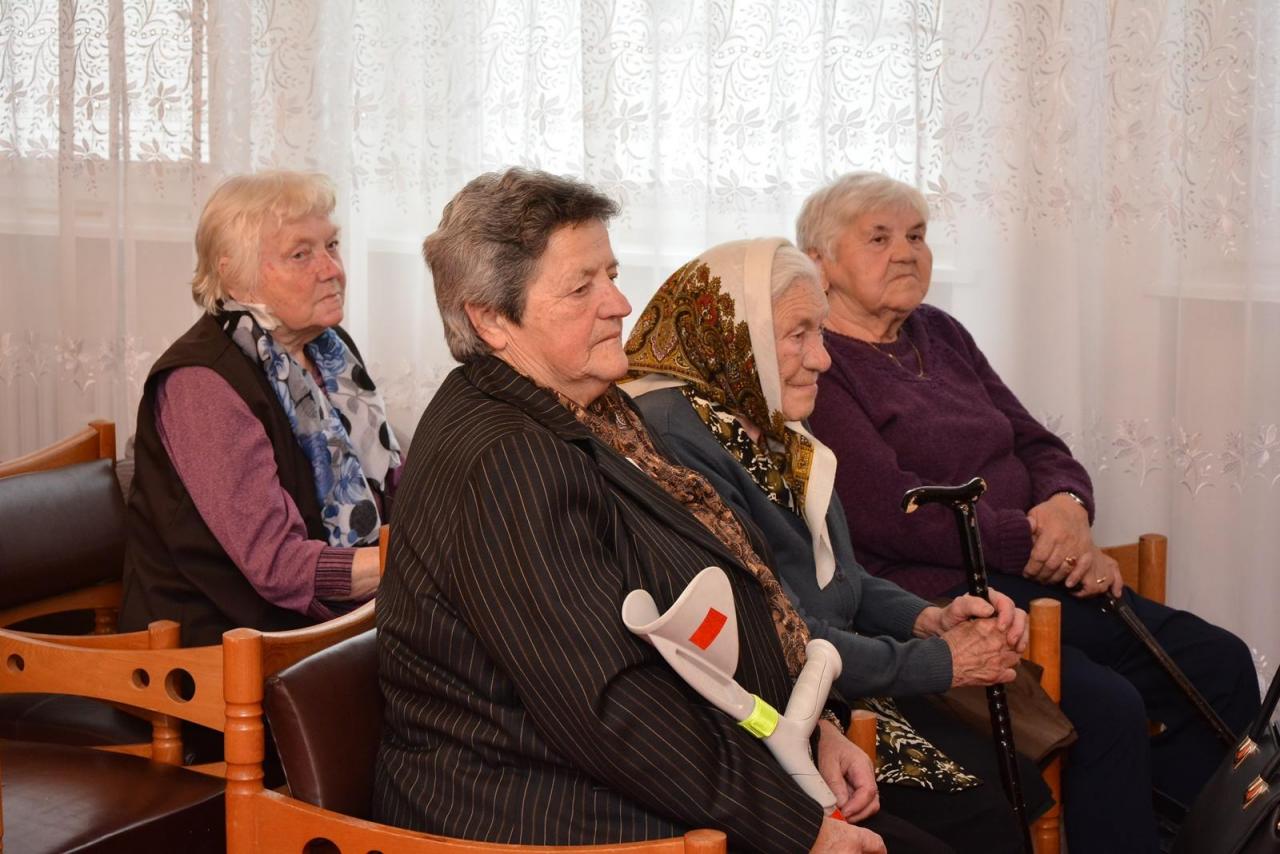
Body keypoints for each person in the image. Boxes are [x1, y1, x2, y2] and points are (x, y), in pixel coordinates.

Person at [374, 168, 950, 854]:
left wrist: (810, 727)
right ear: (491, 319)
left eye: (612, 275)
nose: (619, 303)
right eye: (582, 288)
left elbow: (694, 612)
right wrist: (800, 830)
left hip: (638, 764)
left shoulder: (594, 410)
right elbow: (608, 705)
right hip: (533, 810)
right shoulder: (508, 458)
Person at [796, 171, 1261, 853]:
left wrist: (1069, 508)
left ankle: (1209, 839)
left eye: (917, 236)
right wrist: (1036, 540)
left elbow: (1038, 444)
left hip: (1036, 569)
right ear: (819, 263)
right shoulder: (820, 362)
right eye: (879, 238)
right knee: (1109, 707)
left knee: (1219, 662)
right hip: (942, 598)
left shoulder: (939, 332)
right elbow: (891, 512)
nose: (906, 253)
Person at [624, 237, 1050, 854]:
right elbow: (780, 627)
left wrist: (928, 619)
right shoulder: (677, 437)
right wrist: (941, 662)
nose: (822, 358)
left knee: (1018, 789)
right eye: (798, 335)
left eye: (820, 331)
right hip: (771, 706)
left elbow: (843, 577)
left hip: (834, 682)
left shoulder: (765, 417)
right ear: (731, 337)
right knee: (984, 819)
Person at [121, 171, 400, 647]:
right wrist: (411, 563)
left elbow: (392, 489)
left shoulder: (330, 352)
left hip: (325, 628)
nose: (331, 269)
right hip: (217, 650)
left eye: (331, 245)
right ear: (235, 275)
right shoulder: (201, 383)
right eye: (300, 254)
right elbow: (277, 566)